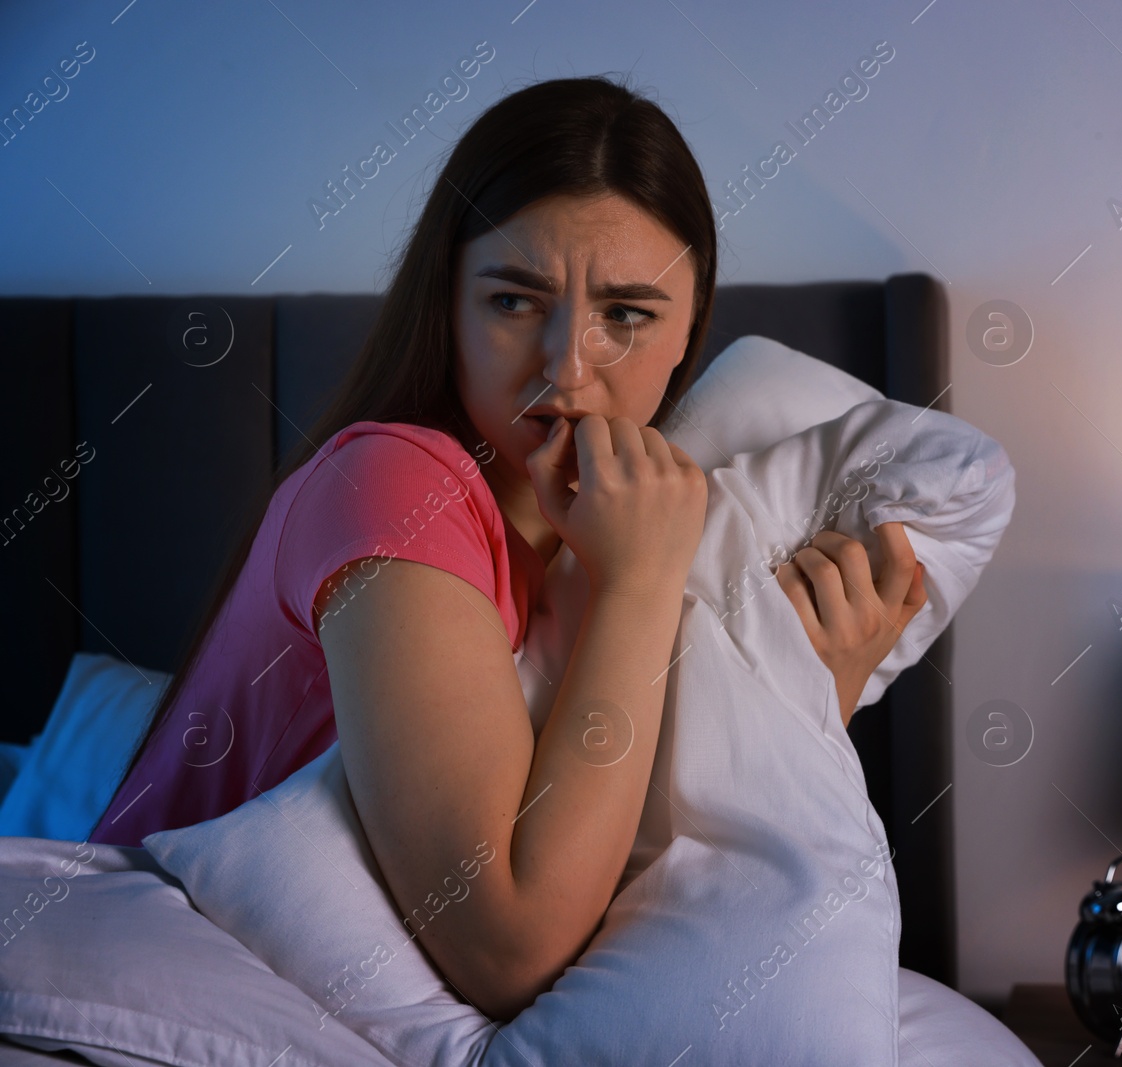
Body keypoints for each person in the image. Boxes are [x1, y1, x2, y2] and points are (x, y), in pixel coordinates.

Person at [88, 75, 926, 1022]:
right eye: (515, 301)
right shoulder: (395, 486)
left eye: (627, 315)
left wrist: (815, 699)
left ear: (691, 330)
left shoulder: (586, 542)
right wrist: (640, 583)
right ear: (445, 303)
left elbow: (640, 879)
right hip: (147, 990)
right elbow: (512, 946)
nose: (568, 366)